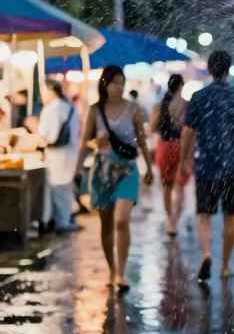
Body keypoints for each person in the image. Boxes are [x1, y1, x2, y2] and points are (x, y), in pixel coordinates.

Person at [177, 49, 234, 283]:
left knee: (204, 214)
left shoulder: (199, 97)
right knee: (230, 216)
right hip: (233, 166)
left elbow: (187, 132)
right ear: (228, 69)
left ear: (210, 69)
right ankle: (225, 265)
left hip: (206, 164)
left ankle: (206, 253)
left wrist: (184, 161)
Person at [74, 65, 154, 289]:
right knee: (106, 224)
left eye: (121, 82)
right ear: (104, 84)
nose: (118, 87)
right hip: (103, 169)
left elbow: (142, 142)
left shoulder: (133, 109)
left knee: (121, 220)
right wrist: (78, 169)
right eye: (114, 82)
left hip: (127, 169)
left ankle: (120, 272)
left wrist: (149, 167)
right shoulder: (95, 110)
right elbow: (83, 143)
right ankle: (111, 268)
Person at [38, 80, 81, 232]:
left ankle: (61, 221)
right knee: (66, 188)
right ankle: (66, 217)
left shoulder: (50, 110)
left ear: (50, 91)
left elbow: (47, 136)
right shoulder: (70, 108)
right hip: (70, 153)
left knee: (57, 188)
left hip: (55, 156)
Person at [152, 73, 190, 235]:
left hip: (164, 146)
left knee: (167, 185)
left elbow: (153, 127)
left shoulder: (159, 105)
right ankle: (175, 218)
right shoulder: (186, 105)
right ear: (181, 86)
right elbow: (190, 130)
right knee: (180, 185)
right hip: (181, 146)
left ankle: (170, 221)